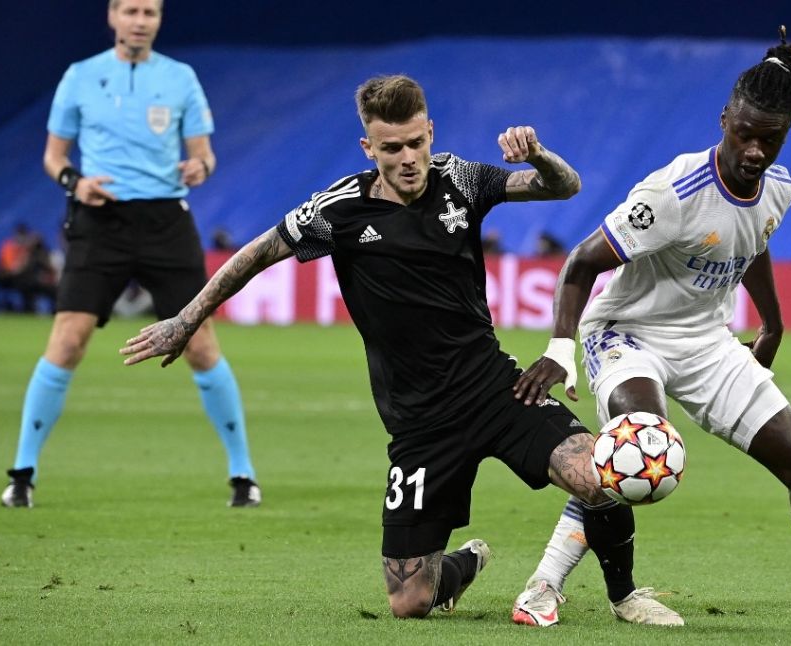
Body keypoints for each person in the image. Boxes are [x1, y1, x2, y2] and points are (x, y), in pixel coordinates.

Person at [120, 74, 681, 624]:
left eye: (416, 142)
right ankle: (466, 563)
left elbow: (563, 187)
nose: (408, 157)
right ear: (369, 147)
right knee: (409, 601)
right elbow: (255, 255)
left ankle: (626, 597)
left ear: (430, 133)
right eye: (392, 148)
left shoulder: (459, 179)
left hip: (496, 389)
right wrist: (186, 320)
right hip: (418, 425)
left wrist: (537, 155)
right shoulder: (336, 211)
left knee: (602, 475)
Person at [510, 27, 791, 626]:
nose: (754, 150)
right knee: (637, 448)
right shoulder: (672, 193)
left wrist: (773, 323)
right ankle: (543, 586)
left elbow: (750, 244)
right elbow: (581, 263)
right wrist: (559, 348)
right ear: (723, 118)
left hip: (706, 342)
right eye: (744, 133)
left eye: (769, 139)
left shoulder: (778, 188)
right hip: (627, 332)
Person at [0, 0, 260, 509]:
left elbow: (205, 153)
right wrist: (77, 182)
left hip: (166, 222)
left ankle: (243, 475)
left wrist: (199, 167)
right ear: (113, 16)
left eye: (151, 12)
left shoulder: (181, 77)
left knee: (200, 342)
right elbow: (54, 158)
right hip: (100, 221)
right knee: (68, 339)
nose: (141, 20)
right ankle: (22, 474)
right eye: (132, 10)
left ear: (159, 20)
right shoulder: (80, 76)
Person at [0, 223, 58, 313]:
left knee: (28, 283)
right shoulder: (8, 246)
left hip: (25, 279)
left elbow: (41, 266)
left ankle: (29, 309)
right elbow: (2, 263)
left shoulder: (31, 249)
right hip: (9, 276)